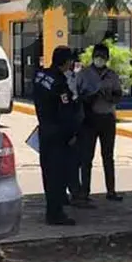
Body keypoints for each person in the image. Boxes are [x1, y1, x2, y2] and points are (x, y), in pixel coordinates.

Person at [33, 46, 84, 226]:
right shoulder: (59, 83)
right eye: (70, 60)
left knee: (48, 173)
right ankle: (55, 213)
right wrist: (72, 134)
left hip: (44, 131)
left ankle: (54, 207)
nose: (72, 64)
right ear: (65, 61)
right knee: (58, 174)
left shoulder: (40, 76)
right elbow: (66, 111)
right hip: (58, 135)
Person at [76, 44, 125, 203]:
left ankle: (111, 191)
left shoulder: (112, 75)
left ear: (107, 58)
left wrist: (110, 96)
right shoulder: (83, 74)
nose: (100, 58)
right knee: (86, 157)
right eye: (97, 55)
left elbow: (119, 95)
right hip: (89, 119)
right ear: (93, 57)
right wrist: (91, 96)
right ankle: (84, 192)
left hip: (107, 118)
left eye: (103, 56)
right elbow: (77, 97)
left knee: (108, 156)